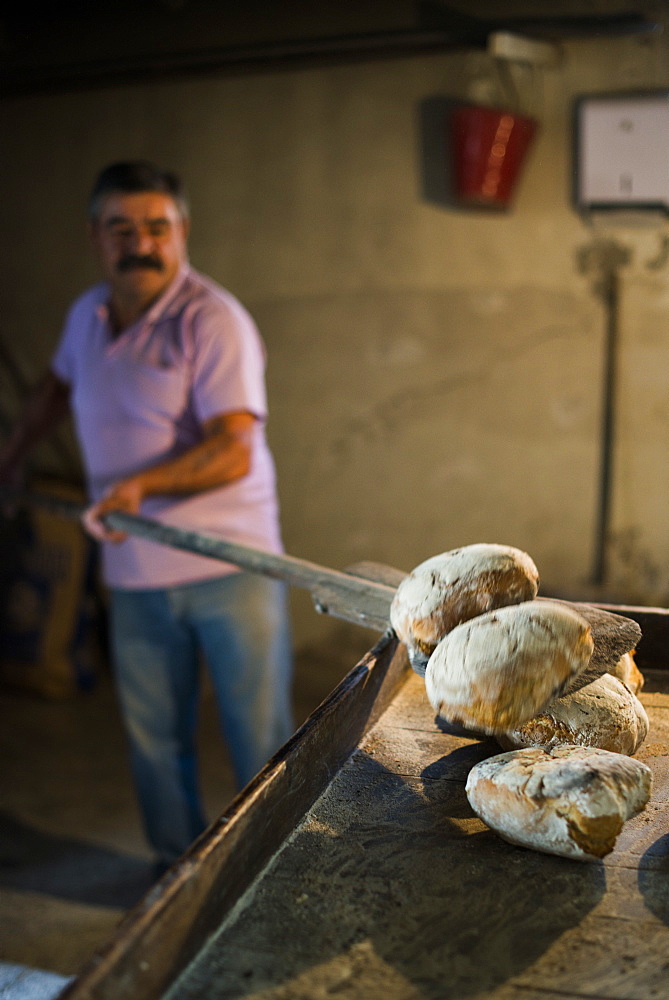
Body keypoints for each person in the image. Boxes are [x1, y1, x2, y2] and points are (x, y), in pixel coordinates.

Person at [0, 160, 294, 869]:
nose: (141, 244)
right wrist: (11, 455)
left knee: (260, 738)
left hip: (231, 565)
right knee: (155, 738)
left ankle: (274, 872)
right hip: (134, 572)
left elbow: (231, 450)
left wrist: (137, 488)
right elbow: (53, 388)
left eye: (157, 228)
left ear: (182, 231)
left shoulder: (212, 320)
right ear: (95, 237)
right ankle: (176, 870)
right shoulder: (86, 317)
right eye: (122, 229)